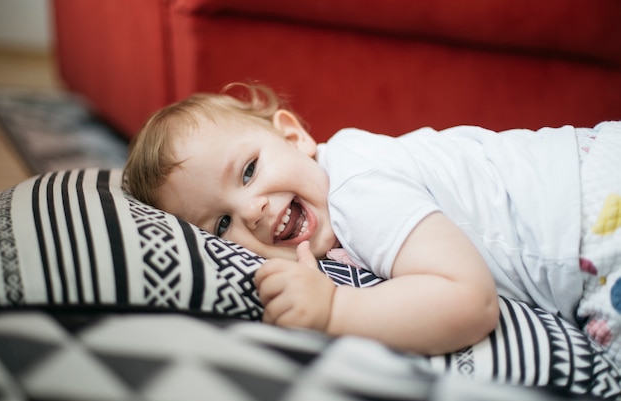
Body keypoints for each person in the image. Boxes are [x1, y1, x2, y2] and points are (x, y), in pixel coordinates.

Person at [123, 83, 621, 361]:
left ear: (294, 137)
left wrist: (334, 311)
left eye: (250, 170)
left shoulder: (356, 187)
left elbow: (470, 302)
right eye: (221, 223)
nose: (252, 210)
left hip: (597, 216)